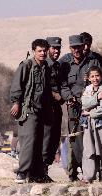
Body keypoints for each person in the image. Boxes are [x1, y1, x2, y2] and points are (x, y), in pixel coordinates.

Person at [10, 39, 54, 183]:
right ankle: (22, 173)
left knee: (39, 144)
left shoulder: (46, 67)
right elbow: (17, 85)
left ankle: (36, 174)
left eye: (44, 51)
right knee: (28, 142)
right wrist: (16, 103)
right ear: (34, 51)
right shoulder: (26, 65)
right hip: (28, 110)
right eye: (39, 51)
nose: (42, 53)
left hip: (42, 111)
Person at [59, 35, 101, 182]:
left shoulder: (92, 61)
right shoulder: (64, 62)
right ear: (70, 48)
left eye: (79, 47)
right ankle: (73, 172)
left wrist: (99, 95)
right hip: (73, 107)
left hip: (91, 106)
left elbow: (100, 79)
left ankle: (90, 171)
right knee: (74, 138)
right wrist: (68, 97)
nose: (76, 50)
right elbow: (61, 84)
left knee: (90, 137)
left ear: (83, 46)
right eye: (74, 47)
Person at [81, 66, 102, 183]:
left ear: (101, 77)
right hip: (88, 125)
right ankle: (88, 176)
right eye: (92, 76)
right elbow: (84, 103)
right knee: (88, 150)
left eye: (97, 76)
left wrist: (89, 113)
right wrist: (96, 97)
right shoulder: (87, 90)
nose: (95, 78)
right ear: (89, 78)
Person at [42, 36, 64, 174]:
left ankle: (45, 170)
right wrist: (54, 95)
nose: (56, 51)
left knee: (54, 138)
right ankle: (39, 171)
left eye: (58, 48)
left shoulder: (57, 65)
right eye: (53, 48)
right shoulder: (43, 65)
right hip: (46, 108)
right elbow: (40, 86)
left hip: (56, 108)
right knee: (46, 139)